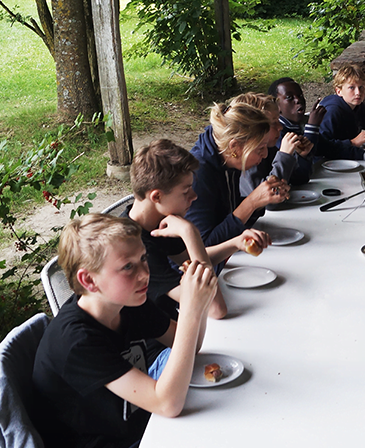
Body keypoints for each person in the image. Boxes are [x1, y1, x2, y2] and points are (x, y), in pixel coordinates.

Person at [30, 213, 218, 448]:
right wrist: (192, 312)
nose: (144, 274)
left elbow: (188, 346)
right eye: (128, 266)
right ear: (88, 280)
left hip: (140, 420)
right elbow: (167, 404)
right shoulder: (76, 341)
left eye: (143, 258)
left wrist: (199, 303)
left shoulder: (127, 300)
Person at [127, 139, 271, 320]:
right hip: (158, 344)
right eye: (186, 191)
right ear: (157, 196)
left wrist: (235, 243)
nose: (194, 196)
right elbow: (215, 308)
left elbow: (192, 259)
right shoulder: (135, 247)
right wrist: (190, 233)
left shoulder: (159, 221)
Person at [187, 99, 289, 249]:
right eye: (260, 149)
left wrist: (263, 199)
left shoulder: (227, 159)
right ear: (234, 147)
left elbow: (231, 218)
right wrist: (252, 202)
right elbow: (204, 248)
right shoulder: (198, 175)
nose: (266, 154)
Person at [309, 66, 365, 163]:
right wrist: (353, 142)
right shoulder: (332, 112)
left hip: (349, 156)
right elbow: (321, 147)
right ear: (339, 91)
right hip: (324, 163)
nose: (358, 93)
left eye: (361, 87)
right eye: (351, 87)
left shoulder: (357, 106)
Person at [235, 91, 313, 189]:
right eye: (273, 122)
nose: (280, 127)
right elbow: (265, 198)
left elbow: (298, 179)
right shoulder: (248, 158)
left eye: (279, 120)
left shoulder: (270, 148)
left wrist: (302, 156)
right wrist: (284, 156)